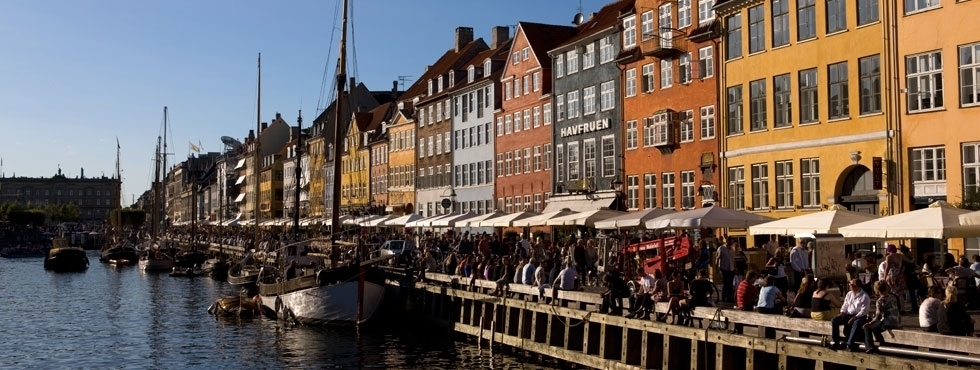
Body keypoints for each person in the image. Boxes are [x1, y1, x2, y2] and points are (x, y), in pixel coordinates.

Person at [829, 278, 870, 351]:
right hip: (848, 314)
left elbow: (864, 311)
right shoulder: (849, 294)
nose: (849, 285)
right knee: (834, 320)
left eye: (851, 284)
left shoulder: (864, 296)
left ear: (857, 286)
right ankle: (836, 342)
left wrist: (854, 317)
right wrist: (842, 312)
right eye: (849, 284)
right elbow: (845, 304)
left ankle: (850, 344)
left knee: (856, 323)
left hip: (859, 316)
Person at [862, 280, 901, 354]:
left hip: (887, 322)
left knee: (867, 328)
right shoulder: (894, 297)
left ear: (877, 290)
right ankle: (883, 344)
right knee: (876, 329)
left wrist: (869, 323)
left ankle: (869, 347)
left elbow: (878, 316)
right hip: (896, 321)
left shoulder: (880, 300)